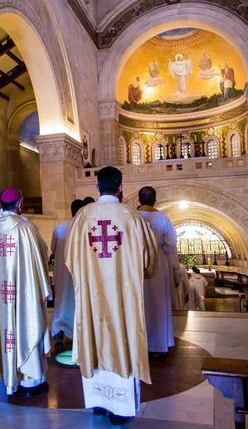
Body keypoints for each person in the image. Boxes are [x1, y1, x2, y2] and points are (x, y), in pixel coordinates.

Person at [65, 166, 158, 428]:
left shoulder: (83, 217)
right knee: (123, 337)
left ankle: (98, 403)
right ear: (120, 187)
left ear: (97, 187)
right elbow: (149, 263)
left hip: (92, 297)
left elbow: (70, 259)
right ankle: (120, 407)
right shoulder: (132, 216)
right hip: (123, 298)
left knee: (95, 337)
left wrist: (88, 275)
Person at [0, 189, 52, 397]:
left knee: (5, 330)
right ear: (19, 204)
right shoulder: (27, 228)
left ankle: (11, 382)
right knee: (28, 324)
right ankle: (31, 382)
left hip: (1, 296)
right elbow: (42, 254)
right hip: (24, 293)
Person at [137, 186, 177, 358]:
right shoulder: (162, 217)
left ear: (139, 200)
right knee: (158, 303)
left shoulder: (132, 216)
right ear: (155, 200)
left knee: (139, 303)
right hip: (158, 262)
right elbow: (171, 243)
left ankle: (139, 345)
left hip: (136, 262)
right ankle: (159, 346)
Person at [50, 199, 85, 342]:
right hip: (79, 272)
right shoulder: (84, 227)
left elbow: (53, 248)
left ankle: (59, 330)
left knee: (62, 301)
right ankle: (79, 333)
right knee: (78, 301)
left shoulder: (60, 227)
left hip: (63, 272)